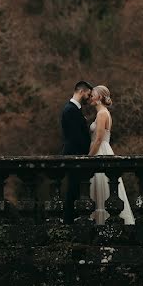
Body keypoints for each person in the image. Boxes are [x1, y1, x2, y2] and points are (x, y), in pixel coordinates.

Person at [87, 85, 135, 225]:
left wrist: (88, 158)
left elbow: (99, 139)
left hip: (100, 151)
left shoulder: (102, 114)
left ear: (100, 97)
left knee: (103, 188)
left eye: (93, 95)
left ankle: (102, 224)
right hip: (101, 149)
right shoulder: (102, 113)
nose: (90, 97)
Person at [60, 81, 93, 222]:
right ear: (81, 91)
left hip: (77, 156)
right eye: (88, 94)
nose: (89, 97)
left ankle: (71, 220)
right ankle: (69, 222)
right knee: (72, 190)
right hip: (74, 156)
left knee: (76, 189)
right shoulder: (70, 110)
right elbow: (75, 137)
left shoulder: (75, 109)